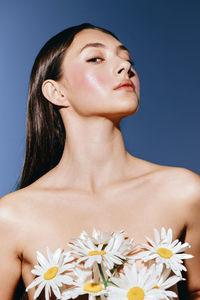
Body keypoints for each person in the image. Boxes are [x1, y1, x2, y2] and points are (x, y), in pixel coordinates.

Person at [0, 23, 199, 300]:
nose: (124, 67)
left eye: (127, 60)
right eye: (96, 58)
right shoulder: (12, 216)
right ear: (56, 92)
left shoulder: (184, 191)